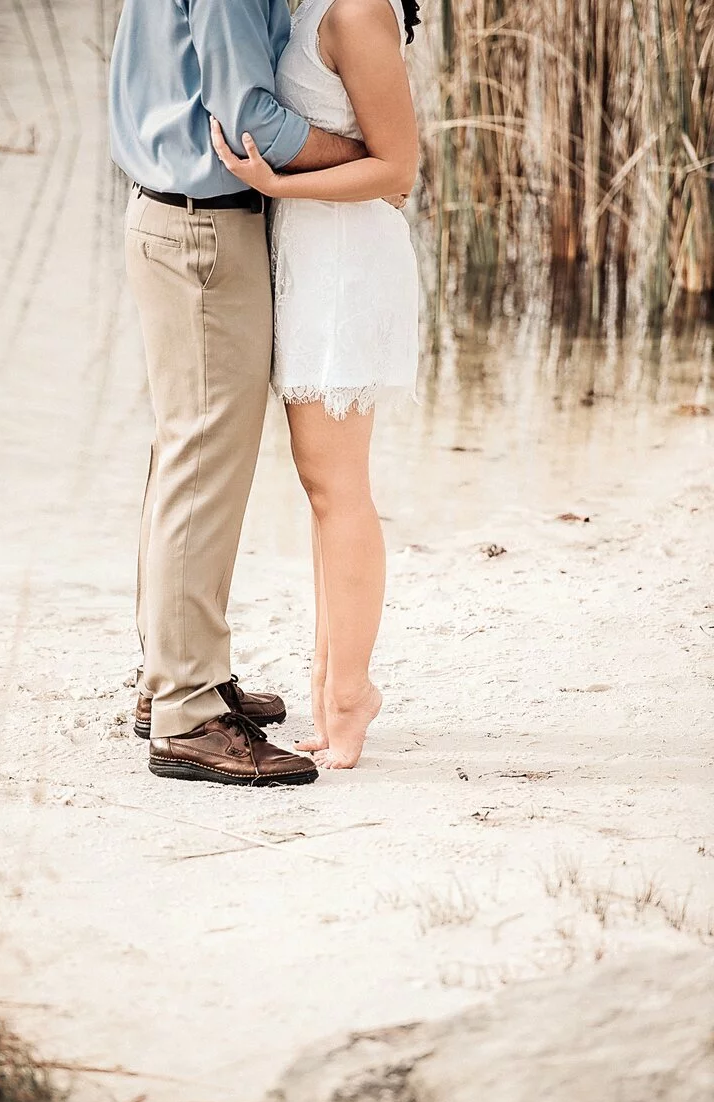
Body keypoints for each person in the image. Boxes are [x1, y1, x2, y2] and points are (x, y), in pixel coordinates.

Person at [108, 0, 379, 786]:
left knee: (184, 455)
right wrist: (357, 152)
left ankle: (173, 676)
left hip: (172, 216)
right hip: (202, 229)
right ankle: (188, 713)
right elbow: (250, 117)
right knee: (202, 463)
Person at [211, 0, 421, 769]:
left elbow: (398, 167)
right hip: (314, 258)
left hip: (345, 266)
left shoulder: (360, 9)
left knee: (339, 487)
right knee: (322, 486)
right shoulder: (322, 4)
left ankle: (351, 692)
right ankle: (330, 684)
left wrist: (278, 186)